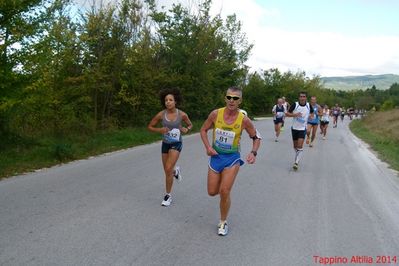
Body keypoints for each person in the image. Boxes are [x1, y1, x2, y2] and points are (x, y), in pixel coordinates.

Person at [200, 86, 261, 236]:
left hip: (232, 158)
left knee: (224, 191)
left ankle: (223, 222)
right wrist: (208, 147)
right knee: (212, 192)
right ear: (225, 98)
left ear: (240, 101)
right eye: (229, 97)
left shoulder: (244, 120)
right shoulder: (215, 114)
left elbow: (256, 137)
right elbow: (203, 130)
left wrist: (253, 152)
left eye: (235, 98)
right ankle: (222, 189)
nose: (231, 101)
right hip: (215, 157)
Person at [147, 88, 193, 207]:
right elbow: (150, 126)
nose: (168, 102)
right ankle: (175, 171)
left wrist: (186, 129)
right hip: (165, 143)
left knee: (167, 168)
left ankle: (168, 195)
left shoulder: (182, 114)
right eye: (166, 100)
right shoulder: (161, 115)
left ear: (175, 101)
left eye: (170, 100)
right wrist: (160, 130)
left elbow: (190, 124)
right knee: (167, 170)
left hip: (176, 143)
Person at [285, 91, 314, 170]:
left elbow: (312, 113)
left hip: (302, 129)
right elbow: (287, 114)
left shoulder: (308, 105)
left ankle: (296, 162)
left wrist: (311, 116)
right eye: (301, 96)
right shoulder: (295, 104)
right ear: (299, 97)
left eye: (303, 96)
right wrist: (295, 115)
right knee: (295, 146)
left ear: (306, 98)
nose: (302, 98)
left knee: (300, 146)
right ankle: (297, 156)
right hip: (294, 128)